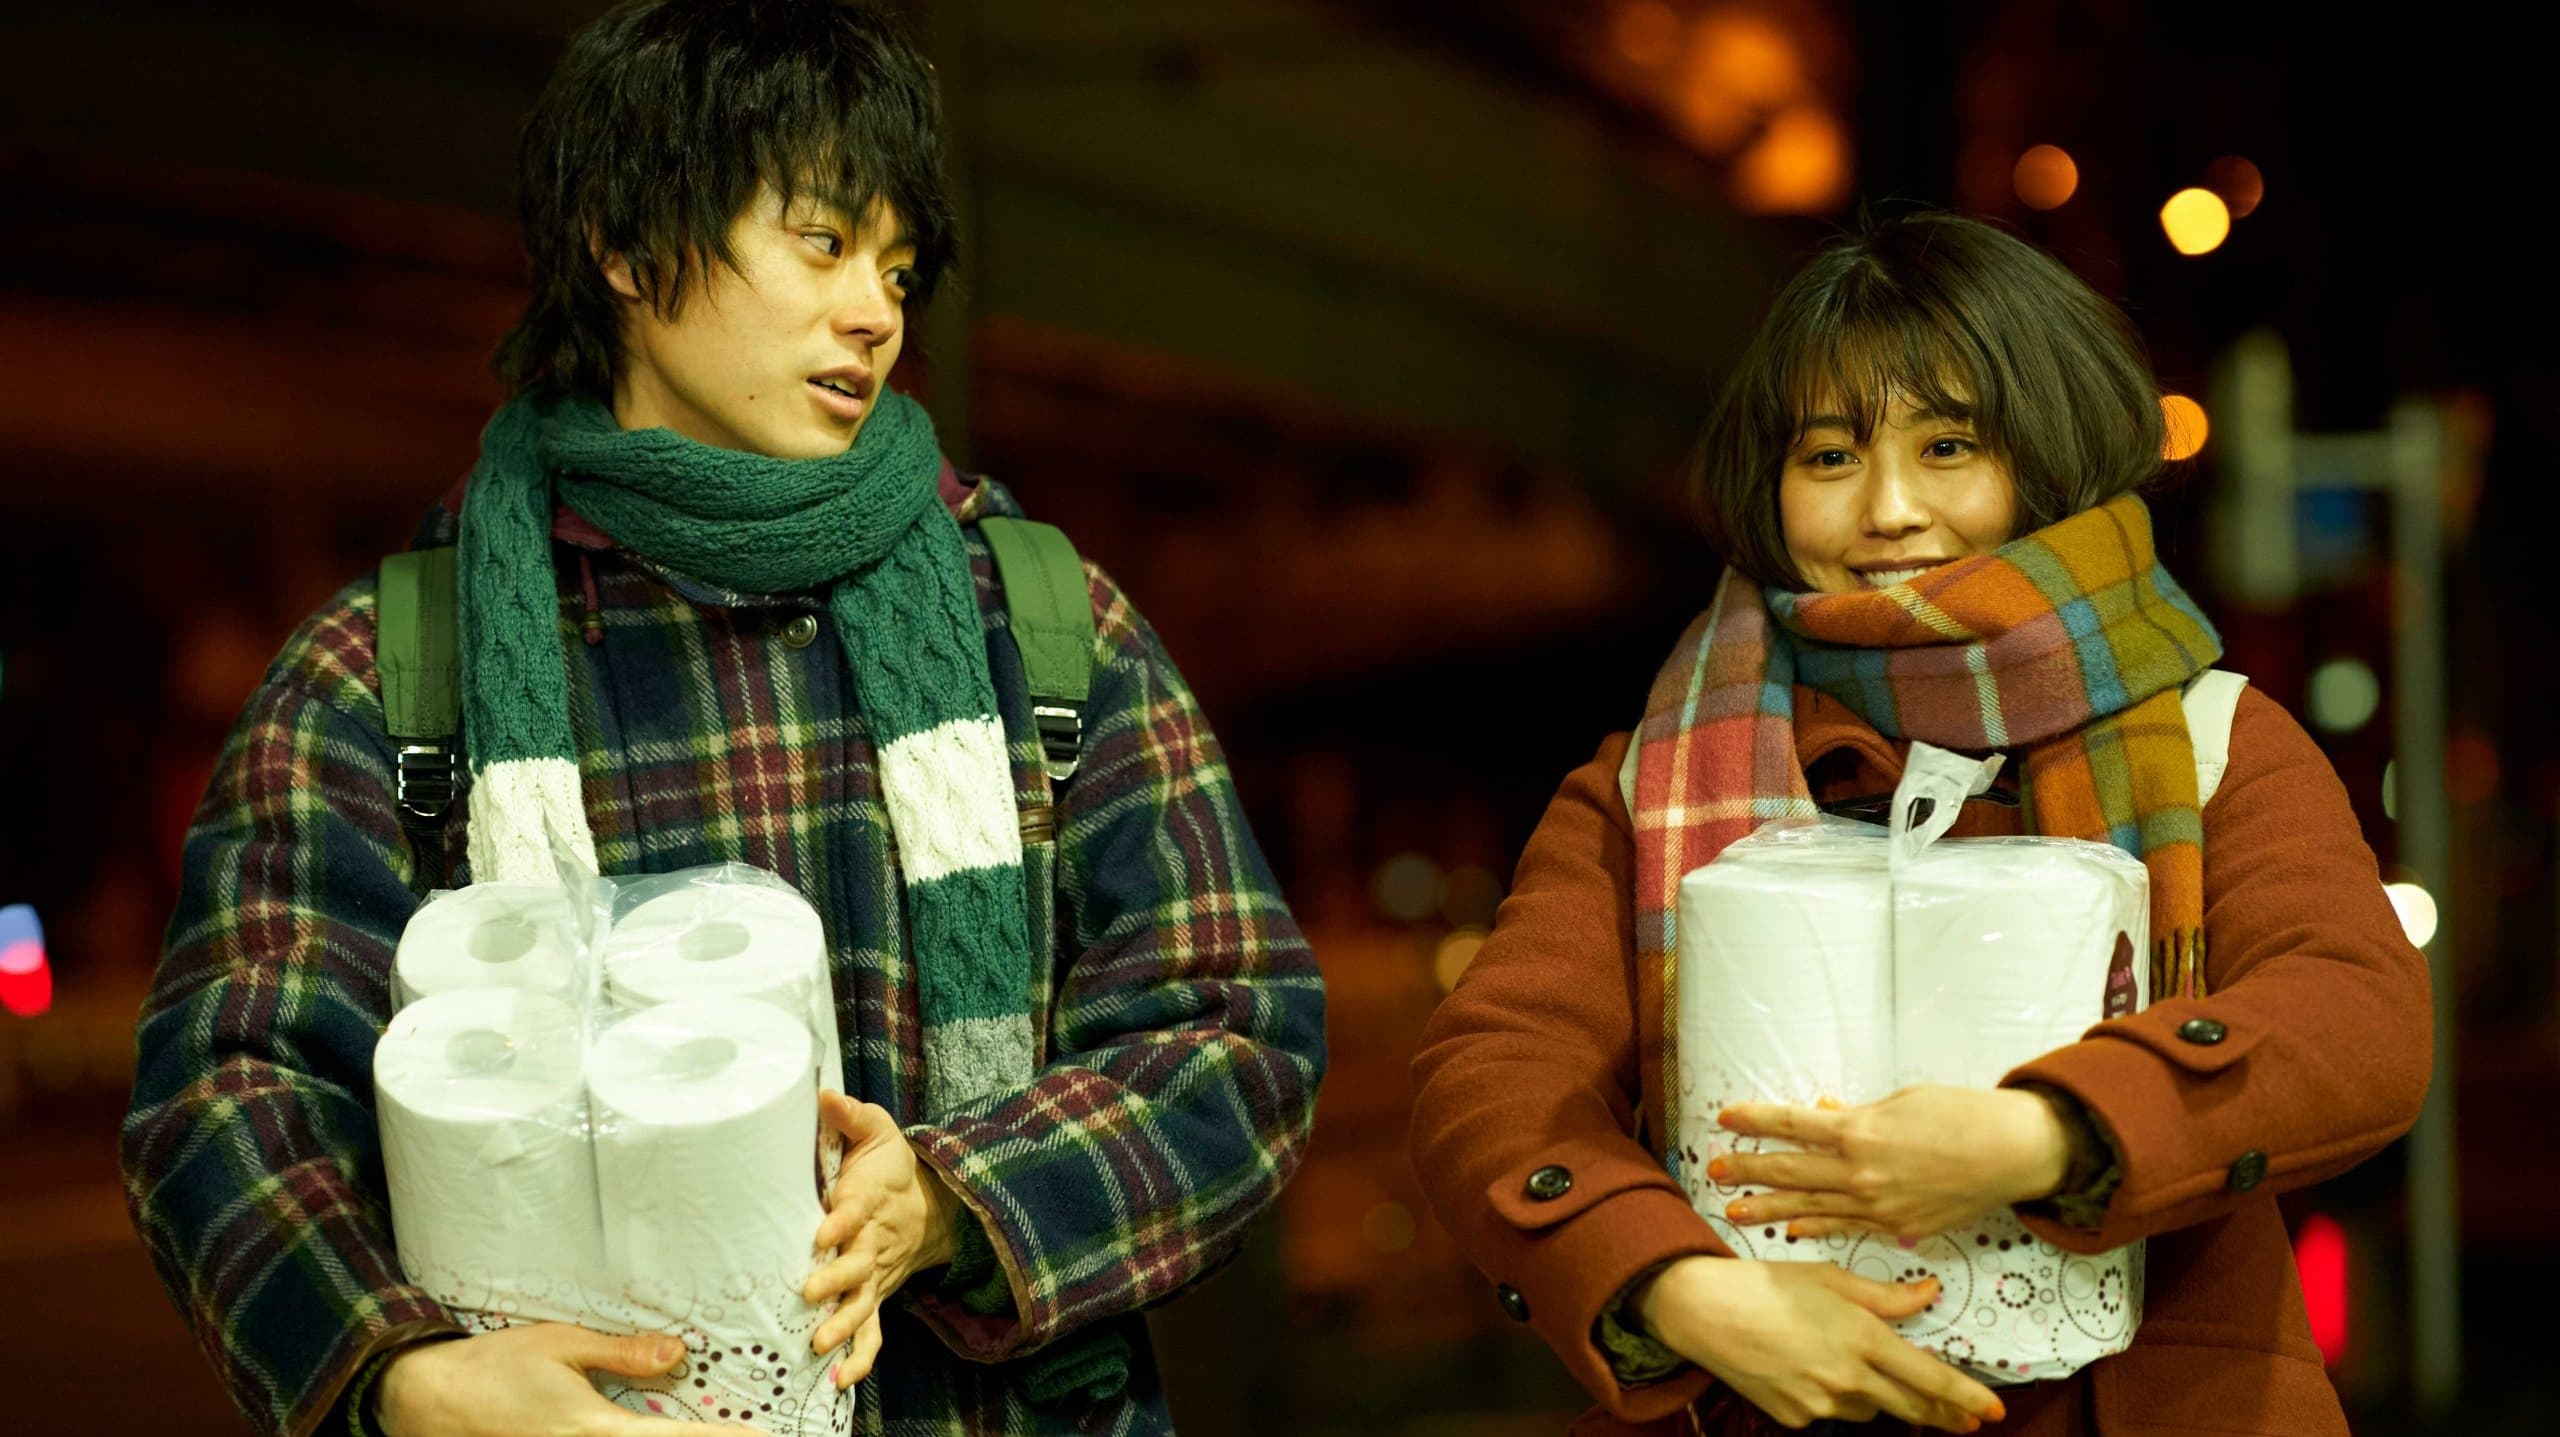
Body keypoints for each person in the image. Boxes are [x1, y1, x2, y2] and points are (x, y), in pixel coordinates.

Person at [118, 4, 1325, 1435]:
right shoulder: (387, 677)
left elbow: (1238, 1025)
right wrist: (403, 1375)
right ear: (627, 248)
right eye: (822, 241)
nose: (876, 310)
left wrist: (959, 1201)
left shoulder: (1042, 626)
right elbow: (226, 1092)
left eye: (896, 266)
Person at [1407, 213, 2429, 1436]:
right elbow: (1496, 1074)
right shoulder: (1656, 779)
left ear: (2045, 455)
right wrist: (1679, 1291)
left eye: (1948, 446)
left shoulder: (2210, 739)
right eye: (1830, 456)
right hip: (1757, 1400)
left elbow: (2354, 1016)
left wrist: (2047, 1134)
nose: (1888, 510)